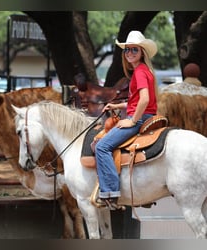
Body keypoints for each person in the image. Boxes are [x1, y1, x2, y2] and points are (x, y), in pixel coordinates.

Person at [94, 30, 158, 210]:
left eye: (134, 50)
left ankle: (110, 192)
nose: (130, 53)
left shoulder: (139, 72)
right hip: (147, 115)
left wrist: (131, 121)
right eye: (127, 50)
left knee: (102, 146)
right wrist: (116, 106)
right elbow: (136, 101)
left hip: (139, 118)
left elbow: (144, 100)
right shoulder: (145, 71)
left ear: (142, 52)